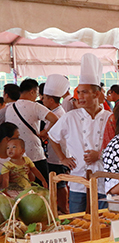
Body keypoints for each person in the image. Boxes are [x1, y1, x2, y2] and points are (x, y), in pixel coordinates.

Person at [49, 54, 112, 213]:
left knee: (105, 221)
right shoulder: (71, 117)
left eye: (84, 92)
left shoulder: (109, 118)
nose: (79, 97)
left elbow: (118, 145)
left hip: (105, 181)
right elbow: (52, 136)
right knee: (77, 221)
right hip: (78, 180)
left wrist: (100, 155)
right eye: (78, 92)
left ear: (96, 94)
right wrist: (63, 158)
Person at [5, 78, 57, 185]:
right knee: (41, 187)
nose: (37, 97)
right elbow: (55, 119)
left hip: (15, 155)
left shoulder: (9, 107)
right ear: (32, 91)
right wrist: (44, 132)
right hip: (35, 154)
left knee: (20, 188)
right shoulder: (35, 106)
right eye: (36, 93)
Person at [42, 74, 70, 213]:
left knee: (60, 183)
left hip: (59, 155)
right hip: (54, 154)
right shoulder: (53, 111)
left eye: (45, 97)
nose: (42, 100)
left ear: (51, 99)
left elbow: (51, 135)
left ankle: (64, 209)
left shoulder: (58, 113)